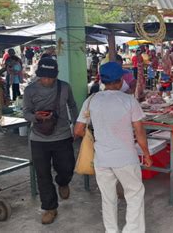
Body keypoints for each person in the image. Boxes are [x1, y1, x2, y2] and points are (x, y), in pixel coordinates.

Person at [74, 62, 152, 232]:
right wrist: (146, 154)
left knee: (108, 199)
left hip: (102, 159)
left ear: (102, 80)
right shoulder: (128, 101)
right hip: (126, 158)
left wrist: (97, 139)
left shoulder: (91, 100)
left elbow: (78, 130)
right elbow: (140, 133)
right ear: (120, 80)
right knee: (134, 194)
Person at [23, 58, 78, 224]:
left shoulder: (65, 87)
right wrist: (36, 117)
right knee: (42, 174)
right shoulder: (30, 90)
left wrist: (77, 125)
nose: (46, 80)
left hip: (62, 135)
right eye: (43, 77)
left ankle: (63, 182)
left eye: (50, 77)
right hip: (38, 139)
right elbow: (25, 112)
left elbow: (73, 106)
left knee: (68, 167)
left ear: (56, 75)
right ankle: (49, 207)